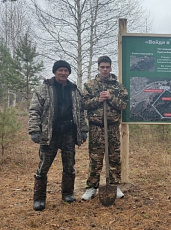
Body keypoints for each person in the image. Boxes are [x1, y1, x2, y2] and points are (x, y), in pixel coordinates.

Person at [29, 60, 88, 211]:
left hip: (68, 133)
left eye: (65, 70)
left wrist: (83, 130)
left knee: (69, 166)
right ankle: (39, 198)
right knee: (43, 167)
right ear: (55, 72)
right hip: (50, 134)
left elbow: (80, 112)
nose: (63, 73)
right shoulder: (44, 88)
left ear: (69, 72)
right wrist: (34, 130)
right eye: (60, 70)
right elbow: (34, 110)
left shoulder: (74, 90)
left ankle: (67, 194)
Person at [81, 56, 128, 201]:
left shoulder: (118, 87)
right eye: (102, 67)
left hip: (112, 126)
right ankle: (91, 187)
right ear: (98, 68)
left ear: (111, 68)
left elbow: (123, 104)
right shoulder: (90, 85)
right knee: (95, 158)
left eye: (107, 67)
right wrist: (98, 100)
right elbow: (83, 103)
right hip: (96, 127)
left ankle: (114, 185)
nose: (105, 70)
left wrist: (111, 97)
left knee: (114, 157)